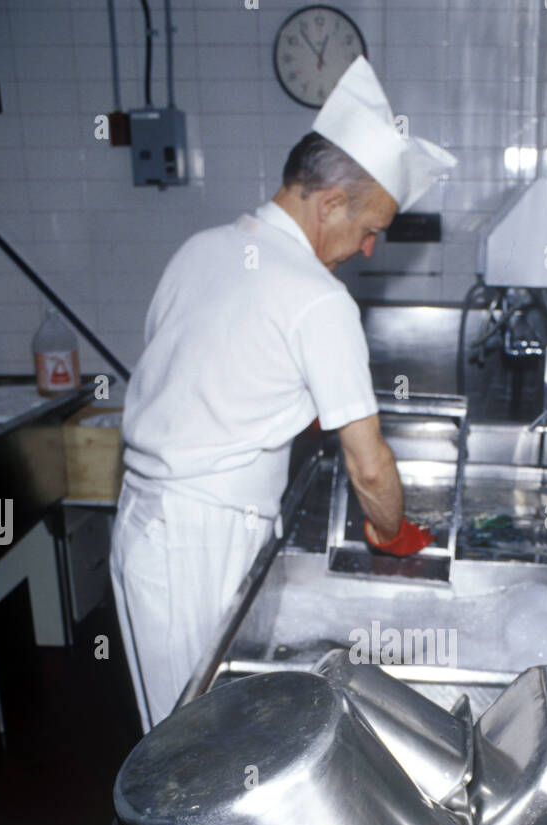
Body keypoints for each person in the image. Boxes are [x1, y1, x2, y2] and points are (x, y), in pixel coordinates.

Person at [110, 58, 456, 731]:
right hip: (200, 542)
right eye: (368, 231)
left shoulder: (201, 247)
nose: (365, 250)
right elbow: (369, 464)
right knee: (195, 745)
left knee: (176, 728)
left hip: (145, 528)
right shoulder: (318, 299)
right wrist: (393, 533)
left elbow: (207, 377)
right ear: (329, 203)